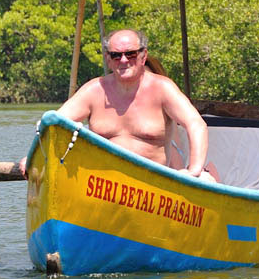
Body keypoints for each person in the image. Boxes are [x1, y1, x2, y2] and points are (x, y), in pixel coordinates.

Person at [24, 29, 215, 181]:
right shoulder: (93, 90)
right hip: (101, 185)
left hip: (152, 185)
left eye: (130, 54)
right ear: (108, 59)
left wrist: (194, 170)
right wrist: (34, 157)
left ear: (143, 56)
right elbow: (53, 124)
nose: (123, 60)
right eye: (116, 55)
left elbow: (196, 124)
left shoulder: (163, 88)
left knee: (204, 179)